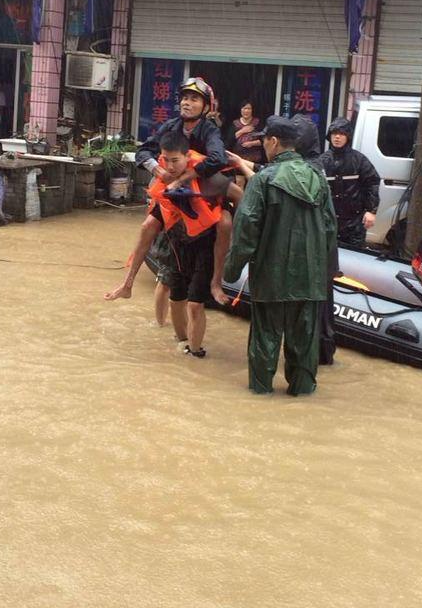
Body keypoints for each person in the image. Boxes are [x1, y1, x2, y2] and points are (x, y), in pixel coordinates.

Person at [223, 116, 337, 396]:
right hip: (310, 280)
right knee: (304, 347)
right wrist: (322, 274)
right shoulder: (318, 180)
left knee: (265, 341)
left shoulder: (263, 180)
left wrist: (230, 272)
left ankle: (260, 396)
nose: (263, 145)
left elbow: (246, 229)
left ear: (273, 142)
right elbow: (330, 229)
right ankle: (302, 397)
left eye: (264, 140)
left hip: (271, 278)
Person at [106, 133, 229, 357]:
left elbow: (241, 197)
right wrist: (128, 282)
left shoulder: (211, 179)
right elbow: (146, 234)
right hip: (177, 246)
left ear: (187, 156)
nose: (170, 167)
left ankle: (196, 351)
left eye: (176, 161)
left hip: (205, 247)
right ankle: (182, 342)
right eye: (166, 160)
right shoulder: (162, 183)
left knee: (194, 304)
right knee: (175, 298)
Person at [135, 77, 231, 305]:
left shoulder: (210, 131)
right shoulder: (169, 127)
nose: (187, 103)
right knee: (148, 225)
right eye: (185, 98)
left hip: (206, 193)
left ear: (206, 106)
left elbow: (218, 158)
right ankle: (129, 280)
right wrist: (158, 170)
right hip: (173, 195)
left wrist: (188, 175)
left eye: (194, 99)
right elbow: (144, 151)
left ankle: (216, 282)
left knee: (225, 224)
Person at [320, 117, 380, 249]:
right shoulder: (322, 161)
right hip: (328, 221)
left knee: (354, 259)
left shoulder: (359, 160)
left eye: (341, 134)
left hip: (354, 222)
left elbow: (373, 182)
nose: (337, 137)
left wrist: (371, 211)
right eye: (334, 133)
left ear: (348, 137)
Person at [230, 100, 265, 166]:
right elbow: (229, 140)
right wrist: (242, 131)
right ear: (240, 110)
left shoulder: (258, 122)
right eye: (244, 108)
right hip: (238, 159)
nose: (246, 111)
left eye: (249, 108)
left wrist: (251, 143)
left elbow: (264, 140)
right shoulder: (234, 123)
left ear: (252, 110)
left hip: (255, 160)